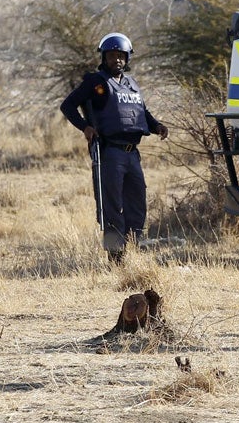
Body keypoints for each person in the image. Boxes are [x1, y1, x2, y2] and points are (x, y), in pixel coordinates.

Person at [59, 33, 168, 263]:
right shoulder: (96, 82)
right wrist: (85, 127)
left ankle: (134, 248)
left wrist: (156, 126)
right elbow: (68, 105)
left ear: (127, 58)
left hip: (132, 154)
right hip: (110, 152)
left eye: (121, 56)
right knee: (112, 206)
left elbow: (142, 113)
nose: (116, 60)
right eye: (111, 56)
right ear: (104, 57)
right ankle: (116, 257)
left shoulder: (131, 84)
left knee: (137, 202)